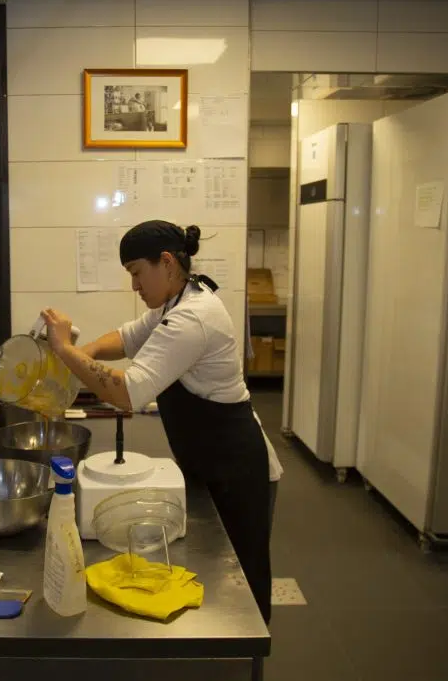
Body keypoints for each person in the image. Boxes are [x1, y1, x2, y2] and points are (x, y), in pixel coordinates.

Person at [41, 220, 283, 624]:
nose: (135, 285)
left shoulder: (194, 318)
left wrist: (65, 351)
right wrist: (81, 354)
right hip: (211, 459)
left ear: (167, 263)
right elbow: (124, 337)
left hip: (239, 467)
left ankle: (247, 663)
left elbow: (127, 392)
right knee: (217, 574)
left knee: (242, 578)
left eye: (137, 272)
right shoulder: (176, 302)